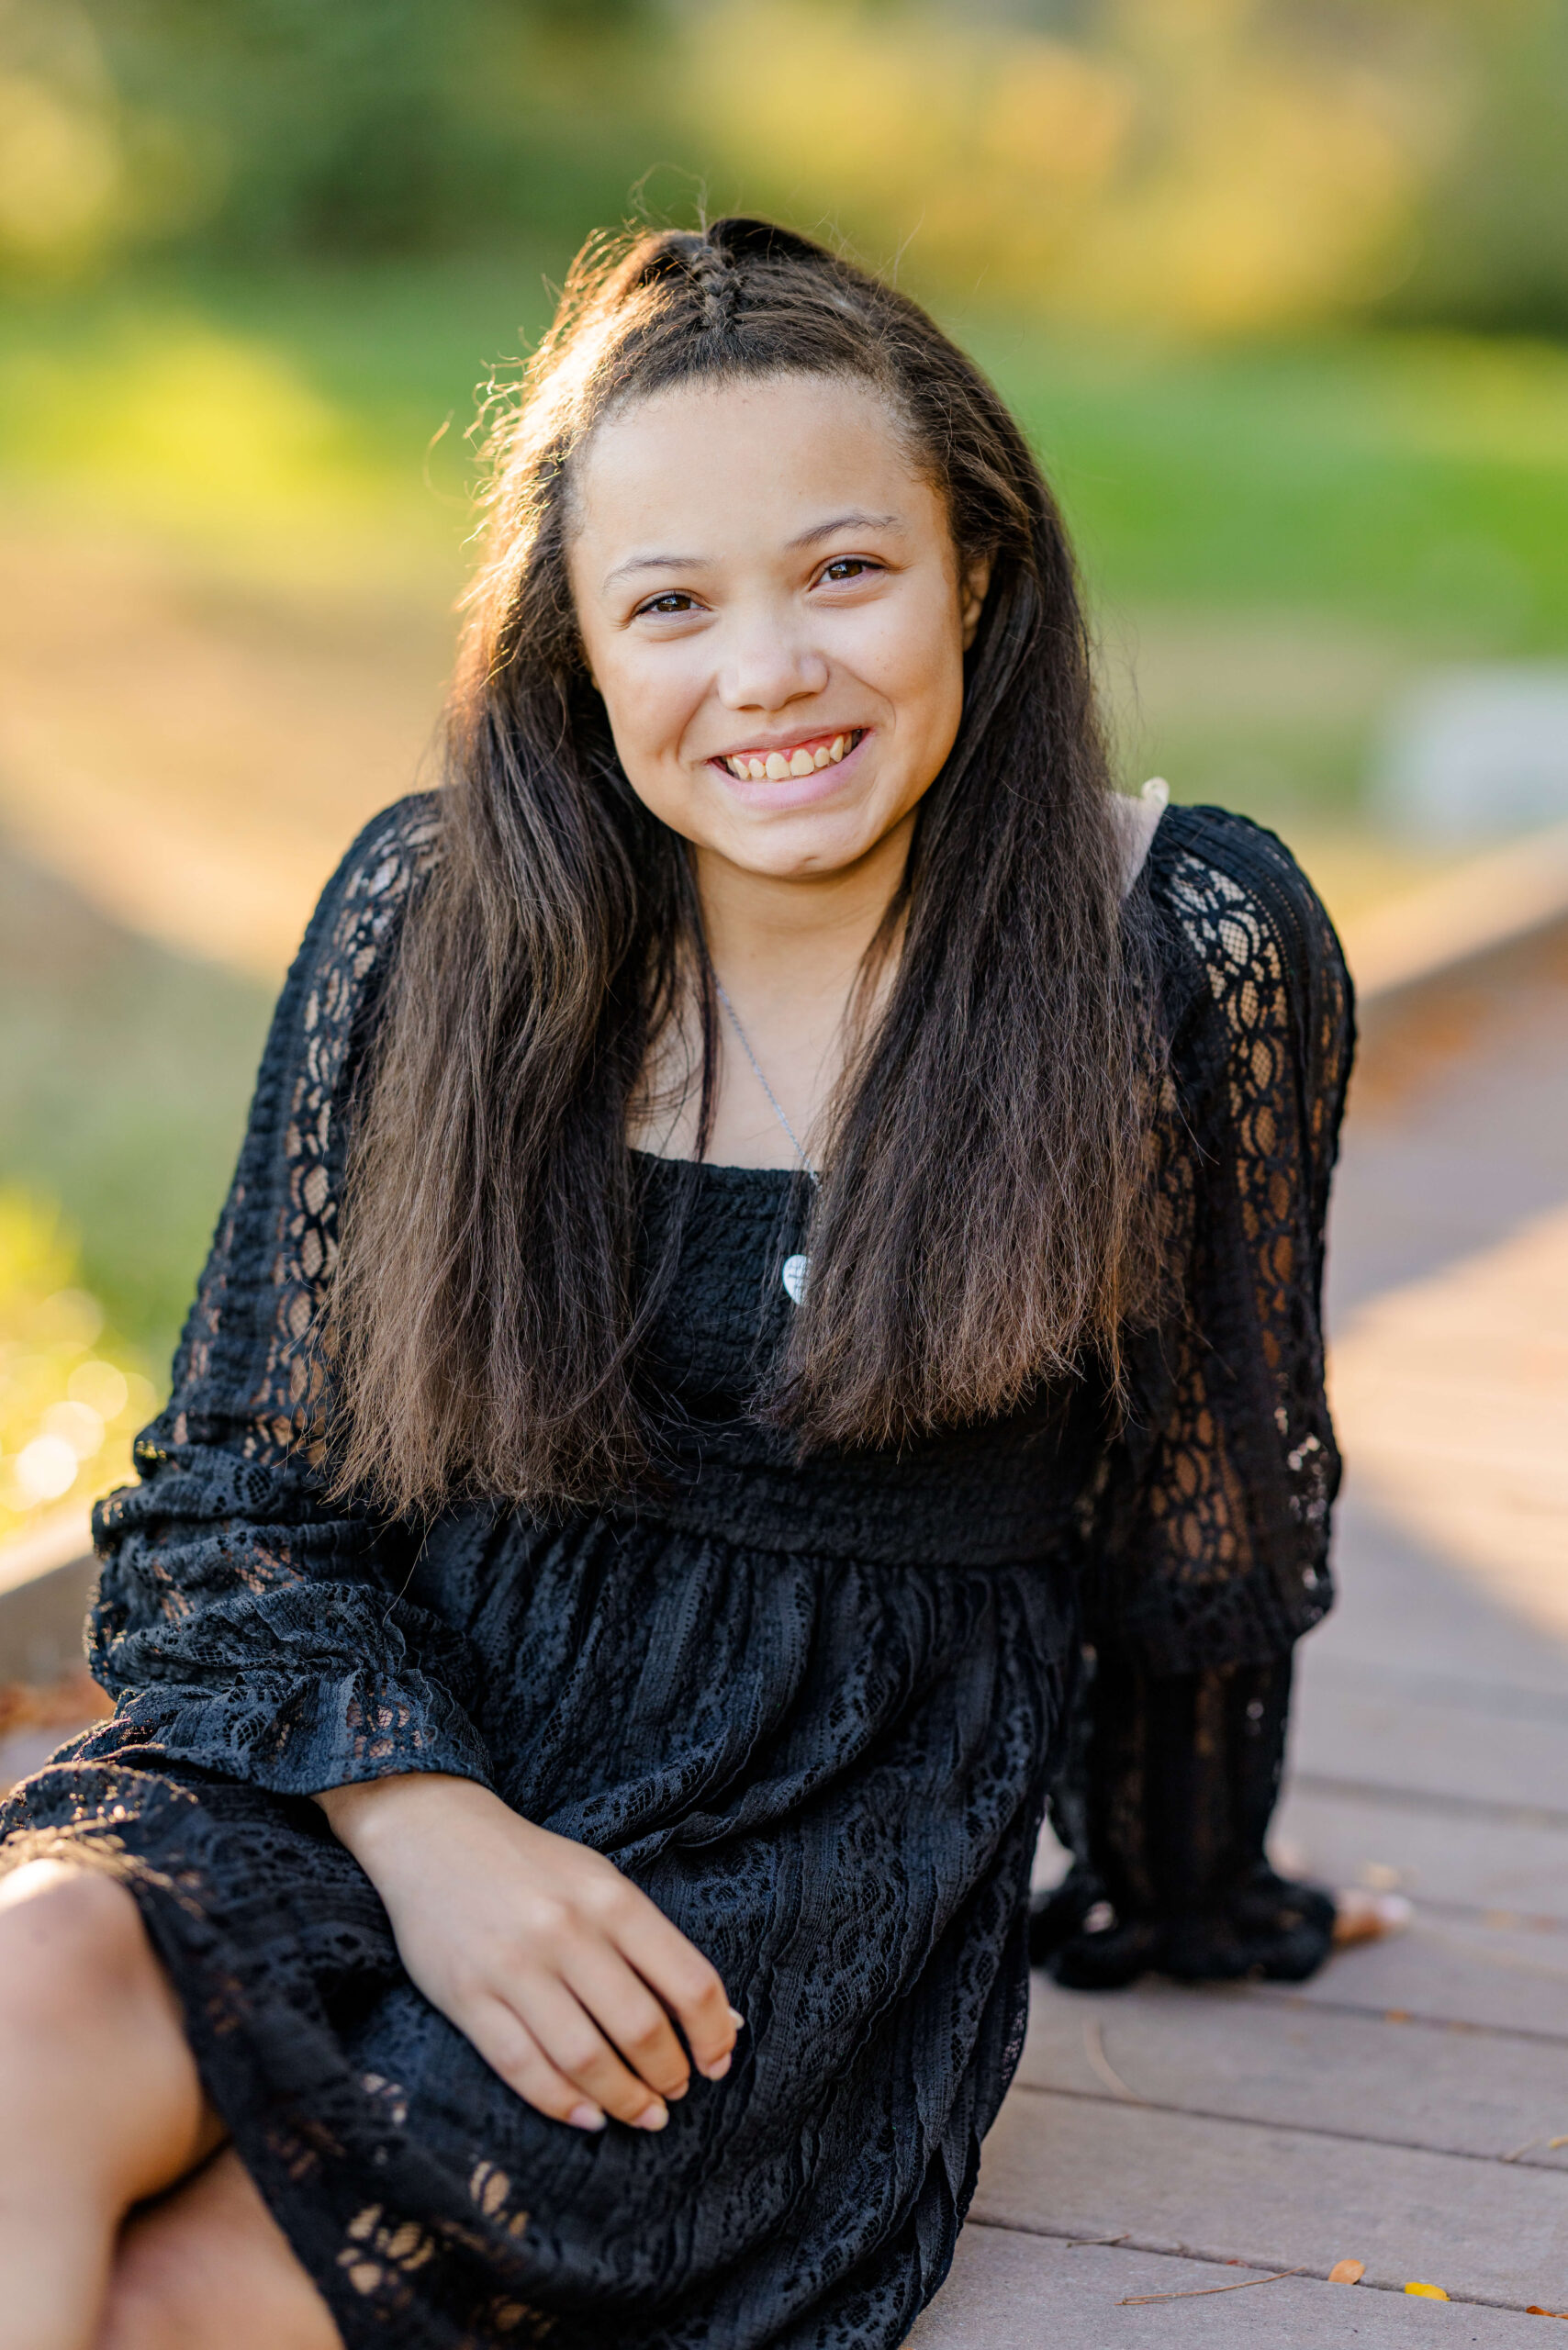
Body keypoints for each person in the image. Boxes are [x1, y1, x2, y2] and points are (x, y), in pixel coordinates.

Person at [0, 218, 1353, 2350]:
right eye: (669, 604)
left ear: (975, 570)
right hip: (369, 1730)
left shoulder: (1171, 940)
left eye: (841, 571)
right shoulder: (434, 912)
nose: (766, 672)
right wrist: (426, 1824)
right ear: (579, 648)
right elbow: (230, 1494)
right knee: (25, 1993)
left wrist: (1192, 1888)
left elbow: (1203, 1518)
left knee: (191, 2297)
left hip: (786, 1832)